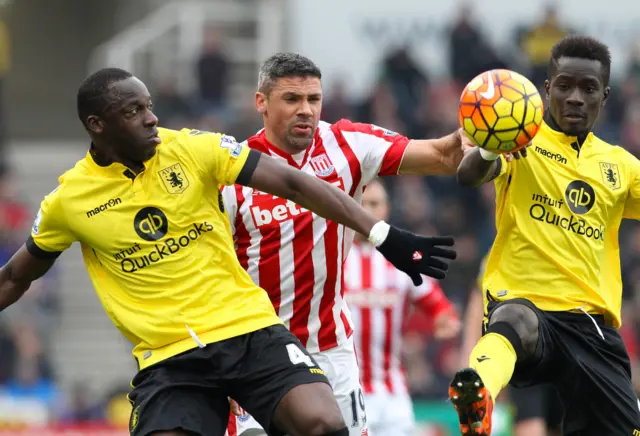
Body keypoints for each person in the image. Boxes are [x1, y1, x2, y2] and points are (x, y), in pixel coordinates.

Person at [0, 68, 459, 436]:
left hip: (249, 330)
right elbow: (16, 277)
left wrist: (382, 234)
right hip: (169, 357)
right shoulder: (69, 201)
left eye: (150, 106)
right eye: (133, 110)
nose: (151, 118)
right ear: (97, 125)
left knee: (322, 423)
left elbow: (294, 182)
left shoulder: (192, 149)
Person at [223, 53, 473, 436]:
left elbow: (443, 154)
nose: (305, 110)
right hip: (259, 351)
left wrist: (476, 136)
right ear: (262, 102)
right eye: (291, 99)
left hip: (330, 349)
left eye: (313, 99)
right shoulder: (233, 170)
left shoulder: (347, 144)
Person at [449, 35, 640, 435]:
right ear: (547, 89)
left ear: (604, 96)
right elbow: (469, 175)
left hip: (592, 326)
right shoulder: (519, 140)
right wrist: (488, 148)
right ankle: (477, 391)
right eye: (565, 86)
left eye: (588, 89)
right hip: (529, 310)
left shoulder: (620, 166)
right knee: (514, 319)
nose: (575, 97)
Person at [344, 179, 461, 436]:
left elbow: (440, 307)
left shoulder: (400, 259)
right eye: (360, 204)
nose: (367, 211)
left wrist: (445, 322)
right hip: (342, 390)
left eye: (374, 204)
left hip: (391, 393)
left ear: (386, 209)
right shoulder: (333, 257)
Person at [460, 255, 563, 436]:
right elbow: (479, 304)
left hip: (552, 346)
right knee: (531, 426)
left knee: (555, 425)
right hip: (530, 347)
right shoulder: (502, 250)